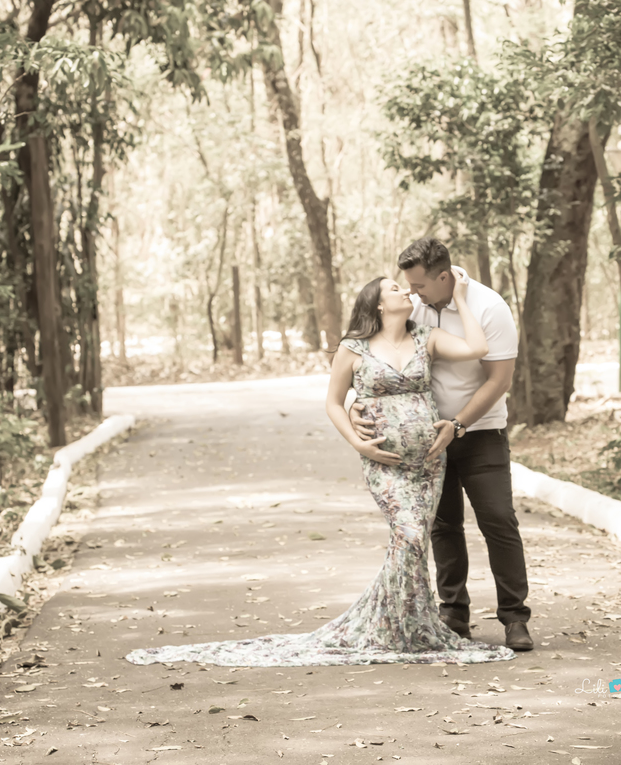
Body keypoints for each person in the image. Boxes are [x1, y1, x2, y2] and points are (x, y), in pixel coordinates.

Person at [125, 274, 514, 668]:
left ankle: (407, 625)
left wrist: (462, 299)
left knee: (414, 544)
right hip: (384, 465)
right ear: (378, 305)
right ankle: (394, 624)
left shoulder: (425, 336)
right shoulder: (353, 348)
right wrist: (358, 442)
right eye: (394, 288)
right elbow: (333, 402)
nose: (405, 291)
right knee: (410, 536)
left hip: (429, 462)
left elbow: (477, 347)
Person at [351, 238, 533, 652]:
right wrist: (352, 409)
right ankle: (454, 612)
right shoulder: (408, 306)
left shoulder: (489, 308)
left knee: (498, 520)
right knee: (443, 525)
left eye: (420, 286)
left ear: (445, 276)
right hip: (427, 442)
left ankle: (514, 618)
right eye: (407, 286)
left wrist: (458, 424)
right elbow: (369, 361)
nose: (412, 294)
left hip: (481, 431)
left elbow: (499, 380)